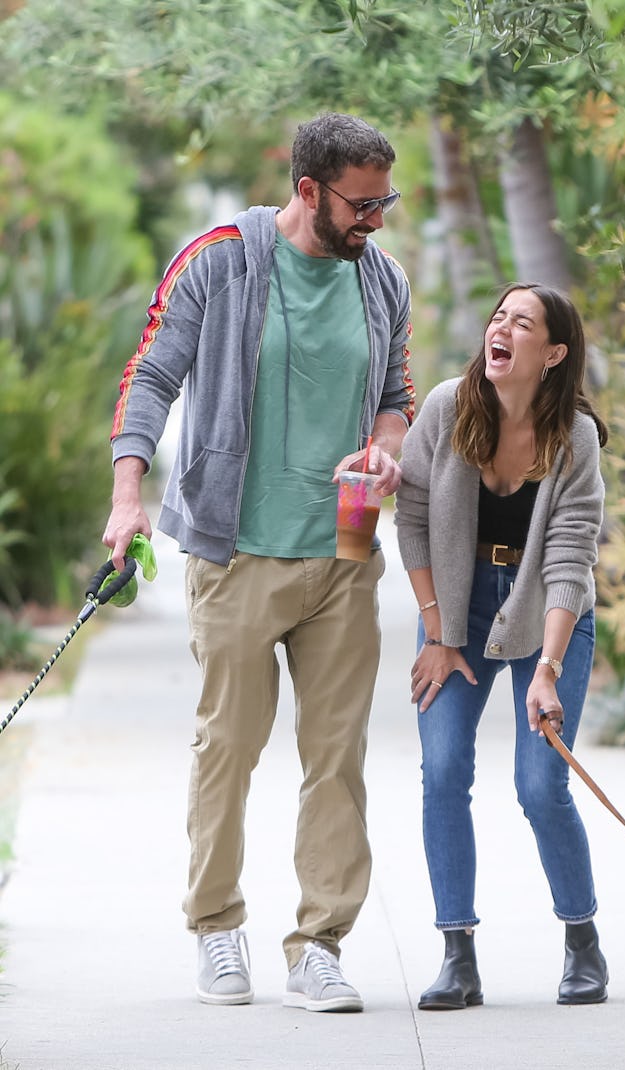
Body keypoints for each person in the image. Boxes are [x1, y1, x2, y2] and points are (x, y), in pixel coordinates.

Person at [104, 112, 415, 1012]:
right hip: (237, 550)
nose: (377, 222)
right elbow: (150, 375)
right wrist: (129, 495)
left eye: (385, 202)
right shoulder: (219, 261)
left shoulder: (381, 279)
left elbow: (393, 394)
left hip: (346, 547)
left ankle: (319, 942)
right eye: (363, 205)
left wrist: (388, 445)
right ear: (308, 190)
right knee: (228, 748)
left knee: (336, 757)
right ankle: (217, 926)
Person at [394, 282, 609, 1010]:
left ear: (551, 353)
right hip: (458, 607)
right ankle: (458, 955)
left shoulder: (573, 437)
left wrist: (547, 669)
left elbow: (572, 556)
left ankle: (582, 941)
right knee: (444, 767)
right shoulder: (449, 408)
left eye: (523, 323)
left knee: (540, 784)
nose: (502, 328)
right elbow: (413, 518)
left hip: (549, 610)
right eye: (498, 316)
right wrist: (435, 631)